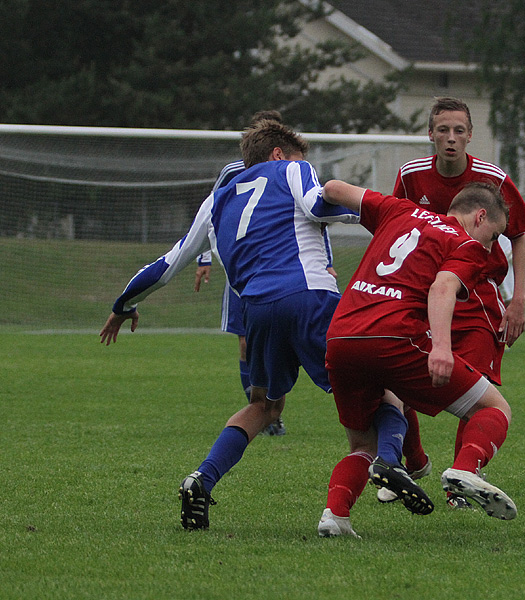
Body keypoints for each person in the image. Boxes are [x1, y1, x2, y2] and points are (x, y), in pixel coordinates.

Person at [100, 120, 359, 530]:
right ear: (279, 154)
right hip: (309, 295)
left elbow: (167, 266)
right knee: (373, 383)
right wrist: (381, 209)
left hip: (255, 307)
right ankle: (397, 465)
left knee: (264, 406)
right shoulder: (292, 170)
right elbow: (317, 204)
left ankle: (202, 478)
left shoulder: (217, 199)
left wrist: (124, 303)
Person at [316, 179, 518, 538]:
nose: (491, 246)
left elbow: (332, 189)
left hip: (342, 336)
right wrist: (441, 346)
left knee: (362, 444)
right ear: (480, 216)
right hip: (394, 338)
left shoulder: (399, 209)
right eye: (494, 235)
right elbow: (442, 287)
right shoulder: (466, 244)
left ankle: (336, 515)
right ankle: (466, 469)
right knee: (494, 408)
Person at [379, 97, 525, 508]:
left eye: (459, 131)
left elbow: (517, 232)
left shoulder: (492, 178)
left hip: (480, 293)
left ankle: (462, 480)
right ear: (430, 134)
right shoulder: (411, 176)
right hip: (429, 291)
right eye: (442, 130)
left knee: (477, 389)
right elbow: (398, 227)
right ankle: (410, 463)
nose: (451, 138)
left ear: (469, 135)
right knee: (402, 379)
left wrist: (517, 299)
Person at [193, 109, 336, 437]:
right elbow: (208, 215)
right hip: (244, 270)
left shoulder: (292, 171)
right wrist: (204, 259)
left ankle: (265, 409)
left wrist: (325, 259)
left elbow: (312, 217)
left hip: (287, 267)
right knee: (245, 343)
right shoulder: (234, 171)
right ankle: (263, 406)